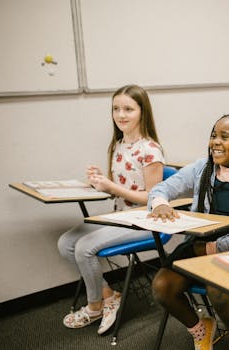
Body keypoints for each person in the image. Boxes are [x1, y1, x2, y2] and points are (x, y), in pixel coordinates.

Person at [149, 114, 229, 350]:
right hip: (198, 245)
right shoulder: (202, 168)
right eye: (213, 136)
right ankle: (201, 329)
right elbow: (164, 187)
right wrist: (159, 202)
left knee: (217, 291)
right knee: (162, 287)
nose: (215, 142)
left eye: (224, 137)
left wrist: (210, 248)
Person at [58, 84, 164, 334]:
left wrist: (112, 188)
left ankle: (95, 306)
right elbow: (118, 187)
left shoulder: (150, 150)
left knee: (84, 248)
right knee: (66, 243)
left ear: (142, 112)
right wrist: (100, 183)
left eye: (128, 109)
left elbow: (152, 197)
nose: (121, 115)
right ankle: (108, 293)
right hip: (118, 217)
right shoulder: (118, 145)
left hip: (144, 220)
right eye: (116, 108)